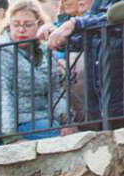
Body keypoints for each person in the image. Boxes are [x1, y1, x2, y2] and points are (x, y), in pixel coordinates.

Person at [0, 0, 70, 139]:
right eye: (16, 25)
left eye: (28, 25)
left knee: (70, 133)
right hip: (7, 126)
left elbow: (54, 92)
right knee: (56, 135)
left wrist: (67, 121)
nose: (21, 30)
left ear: (39, 25)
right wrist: (10, 135)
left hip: (42, 119)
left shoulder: (45, 51)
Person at [42, 0, 124, 128]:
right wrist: (59, 37)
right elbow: (86, 39)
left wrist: (75, 23)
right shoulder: (99, 3)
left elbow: (112, 18)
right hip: (102, 105)